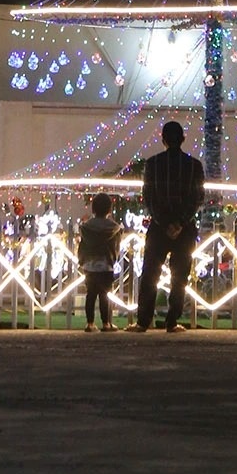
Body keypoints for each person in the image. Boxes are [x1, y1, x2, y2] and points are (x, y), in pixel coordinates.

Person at [134, 120, 204, 334]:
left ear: (162, 139)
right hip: (184, 228)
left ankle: (143, 321)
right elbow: (197, 198)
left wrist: (163, 222)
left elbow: (149, 197)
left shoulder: (153, 164)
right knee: (179, 275)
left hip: (159, 226)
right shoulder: (194, 165)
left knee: (150, 274)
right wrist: (180, 222)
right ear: (182, 139)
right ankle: (172, 321)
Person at [77, 193, 121, 331]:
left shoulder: (87, 227)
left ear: (93, 209)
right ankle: (106, 323)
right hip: (106, 265)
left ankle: (90, 323)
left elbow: (82, 247)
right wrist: (113, 258)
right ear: (109, 209)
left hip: (89, 265)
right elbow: (116, 247)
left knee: (90, 295)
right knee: (105, 295)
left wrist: (81, 260)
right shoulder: (114, 228)